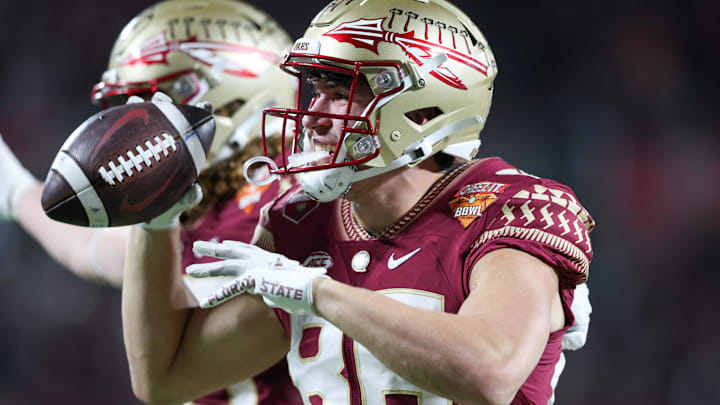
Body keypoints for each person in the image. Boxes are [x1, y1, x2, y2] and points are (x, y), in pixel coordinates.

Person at [119, 0, 595, 404]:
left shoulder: (511, 206)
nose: (313, 117)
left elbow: (489, 370)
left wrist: (318, 292)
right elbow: (167, 377)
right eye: (316, 91)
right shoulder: (302, 223)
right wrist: (155, 220)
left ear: (424, 110)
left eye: (341, 93)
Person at [0, 0, 302, 404]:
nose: (128, 124)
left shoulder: (289, 209)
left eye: (146, 104)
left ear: (225, 95)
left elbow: (162, 377)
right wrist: (15, 190)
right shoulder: (205, 204)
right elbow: (90, 247)